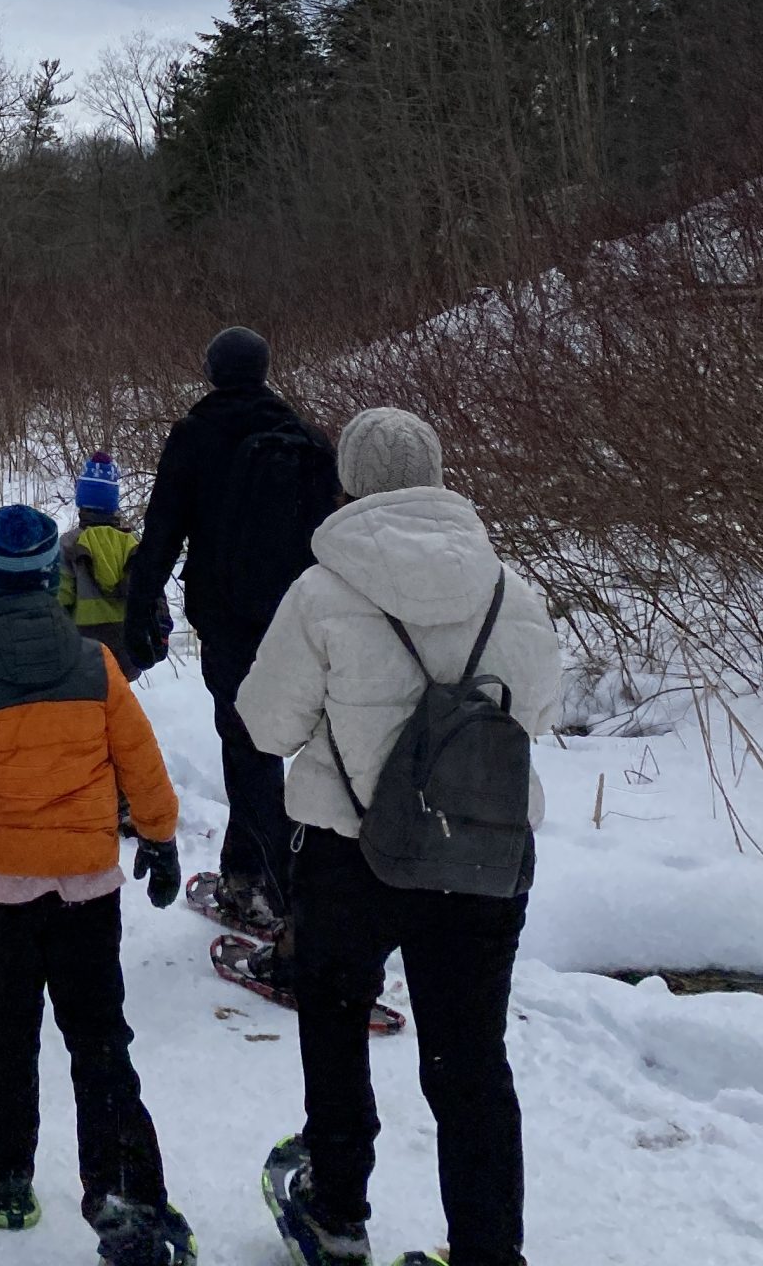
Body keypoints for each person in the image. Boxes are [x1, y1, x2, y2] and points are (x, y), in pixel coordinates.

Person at [241, 406, 560, 1266]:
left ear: (348, 481)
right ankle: (489, 1251)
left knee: (337, 1027)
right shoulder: (510, 590)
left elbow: (267, 726)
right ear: (438, 474)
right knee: (472, 1063)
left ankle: (337, 1209)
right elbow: (537, 715)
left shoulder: (319, 592)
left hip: (352, 855)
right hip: (483, 857)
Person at [0, 504, 196, 1266]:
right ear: (47, 581)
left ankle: (1, 1166)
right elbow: (143, 765)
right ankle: (129, 1200)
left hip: (4, 894)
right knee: (101, 1039)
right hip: (90, 893)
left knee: (9, 1030)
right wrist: (161, 839)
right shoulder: (94, 667)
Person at [123, 325, 337, 933]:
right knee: (275, 750)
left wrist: (141, 610)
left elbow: (163, 529)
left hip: (230, 619)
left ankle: (278, 892)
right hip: (304, 618)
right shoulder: (305, 438)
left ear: (214, 370)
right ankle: (248, 877)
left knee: (249, 750)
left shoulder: (197, 434)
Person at [58, 452, 158, 681]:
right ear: (113, 504)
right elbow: (151, 595)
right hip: (127, 650)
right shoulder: (133, 544)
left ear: (81, 502)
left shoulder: (68, 545)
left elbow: (59, 603)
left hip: (82, 652)